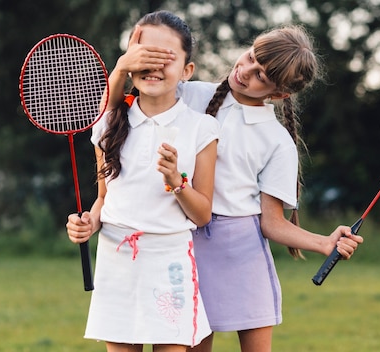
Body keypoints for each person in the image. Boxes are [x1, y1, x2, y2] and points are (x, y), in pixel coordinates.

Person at [102, 22, 364, 352]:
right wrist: (125, 64)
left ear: (279, 94)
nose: (246, 70)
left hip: (242, 252)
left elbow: (272, 222)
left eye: (262, 76)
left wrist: (324, 243)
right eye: (252, 56)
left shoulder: (278, 141)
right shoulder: (190, 92)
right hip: (184, 244)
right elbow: (114, 116)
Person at [66, 11, 219, 352]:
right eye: (144, 55)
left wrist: (176, 181)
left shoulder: (202, 128)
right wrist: (88, 224)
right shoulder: (107, 125)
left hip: (169, 262)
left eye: (165, 57)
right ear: (130, 62)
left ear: (187, 70)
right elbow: (104, 200)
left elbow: (203, 214)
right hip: (116, 261)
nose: (153, 66)